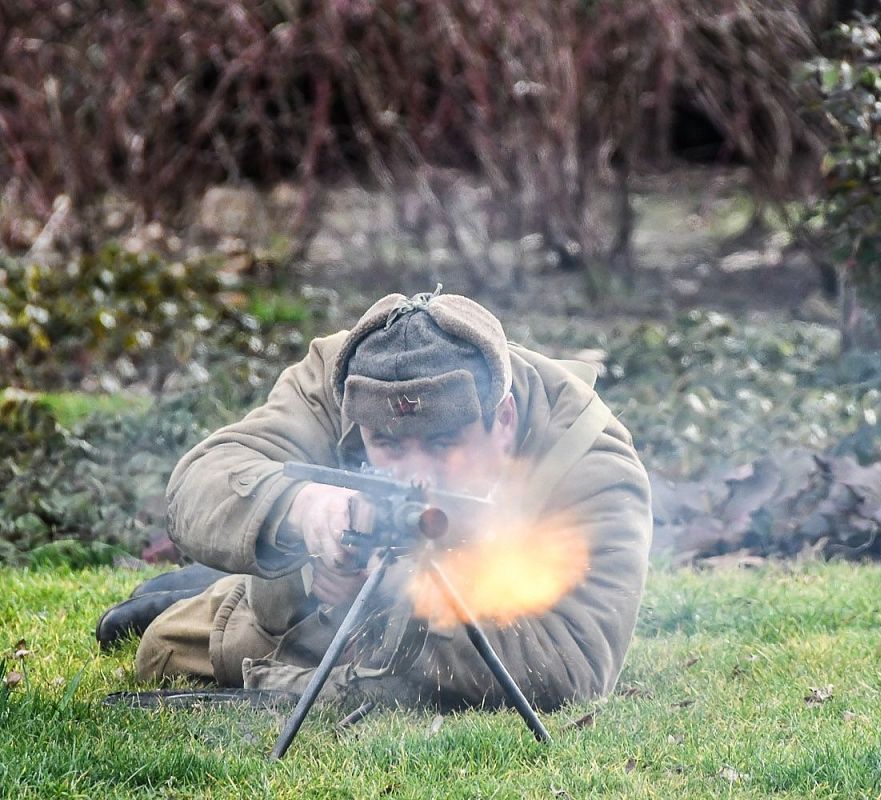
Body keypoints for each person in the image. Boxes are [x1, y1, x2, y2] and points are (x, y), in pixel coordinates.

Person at [96, 289, 652, 711]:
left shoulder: (592, 465)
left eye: (441, 444)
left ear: (502, 421)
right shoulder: (340, 376)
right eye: (385, 444)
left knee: (168, 645)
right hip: (322, 604)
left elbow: (569, 665)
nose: (412, 472)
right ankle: (223, 584)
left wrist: (389, 596)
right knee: (158, 650)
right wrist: (304, 510)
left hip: (429, 624)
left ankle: (223, 589)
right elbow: (202, 481)